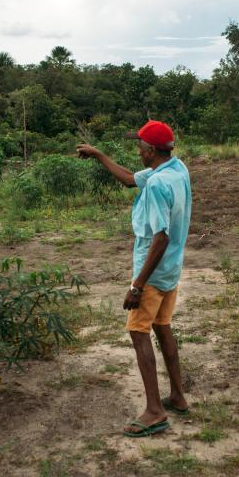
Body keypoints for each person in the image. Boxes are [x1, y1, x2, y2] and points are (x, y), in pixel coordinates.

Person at [76, 120, 191, 437]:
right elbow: (129, 180)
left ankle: (155, 411)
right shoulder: (176, 169)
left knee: (138, 332)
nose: (137, 150)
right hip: (171, 270)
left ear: (151, 151)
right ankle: (178, 397)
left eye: (139, 146)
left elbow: (160, 237)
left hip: (152, 273)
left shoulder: (156, 185)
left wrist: (136, 285)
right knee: (161, 326)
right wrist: (99, 155)